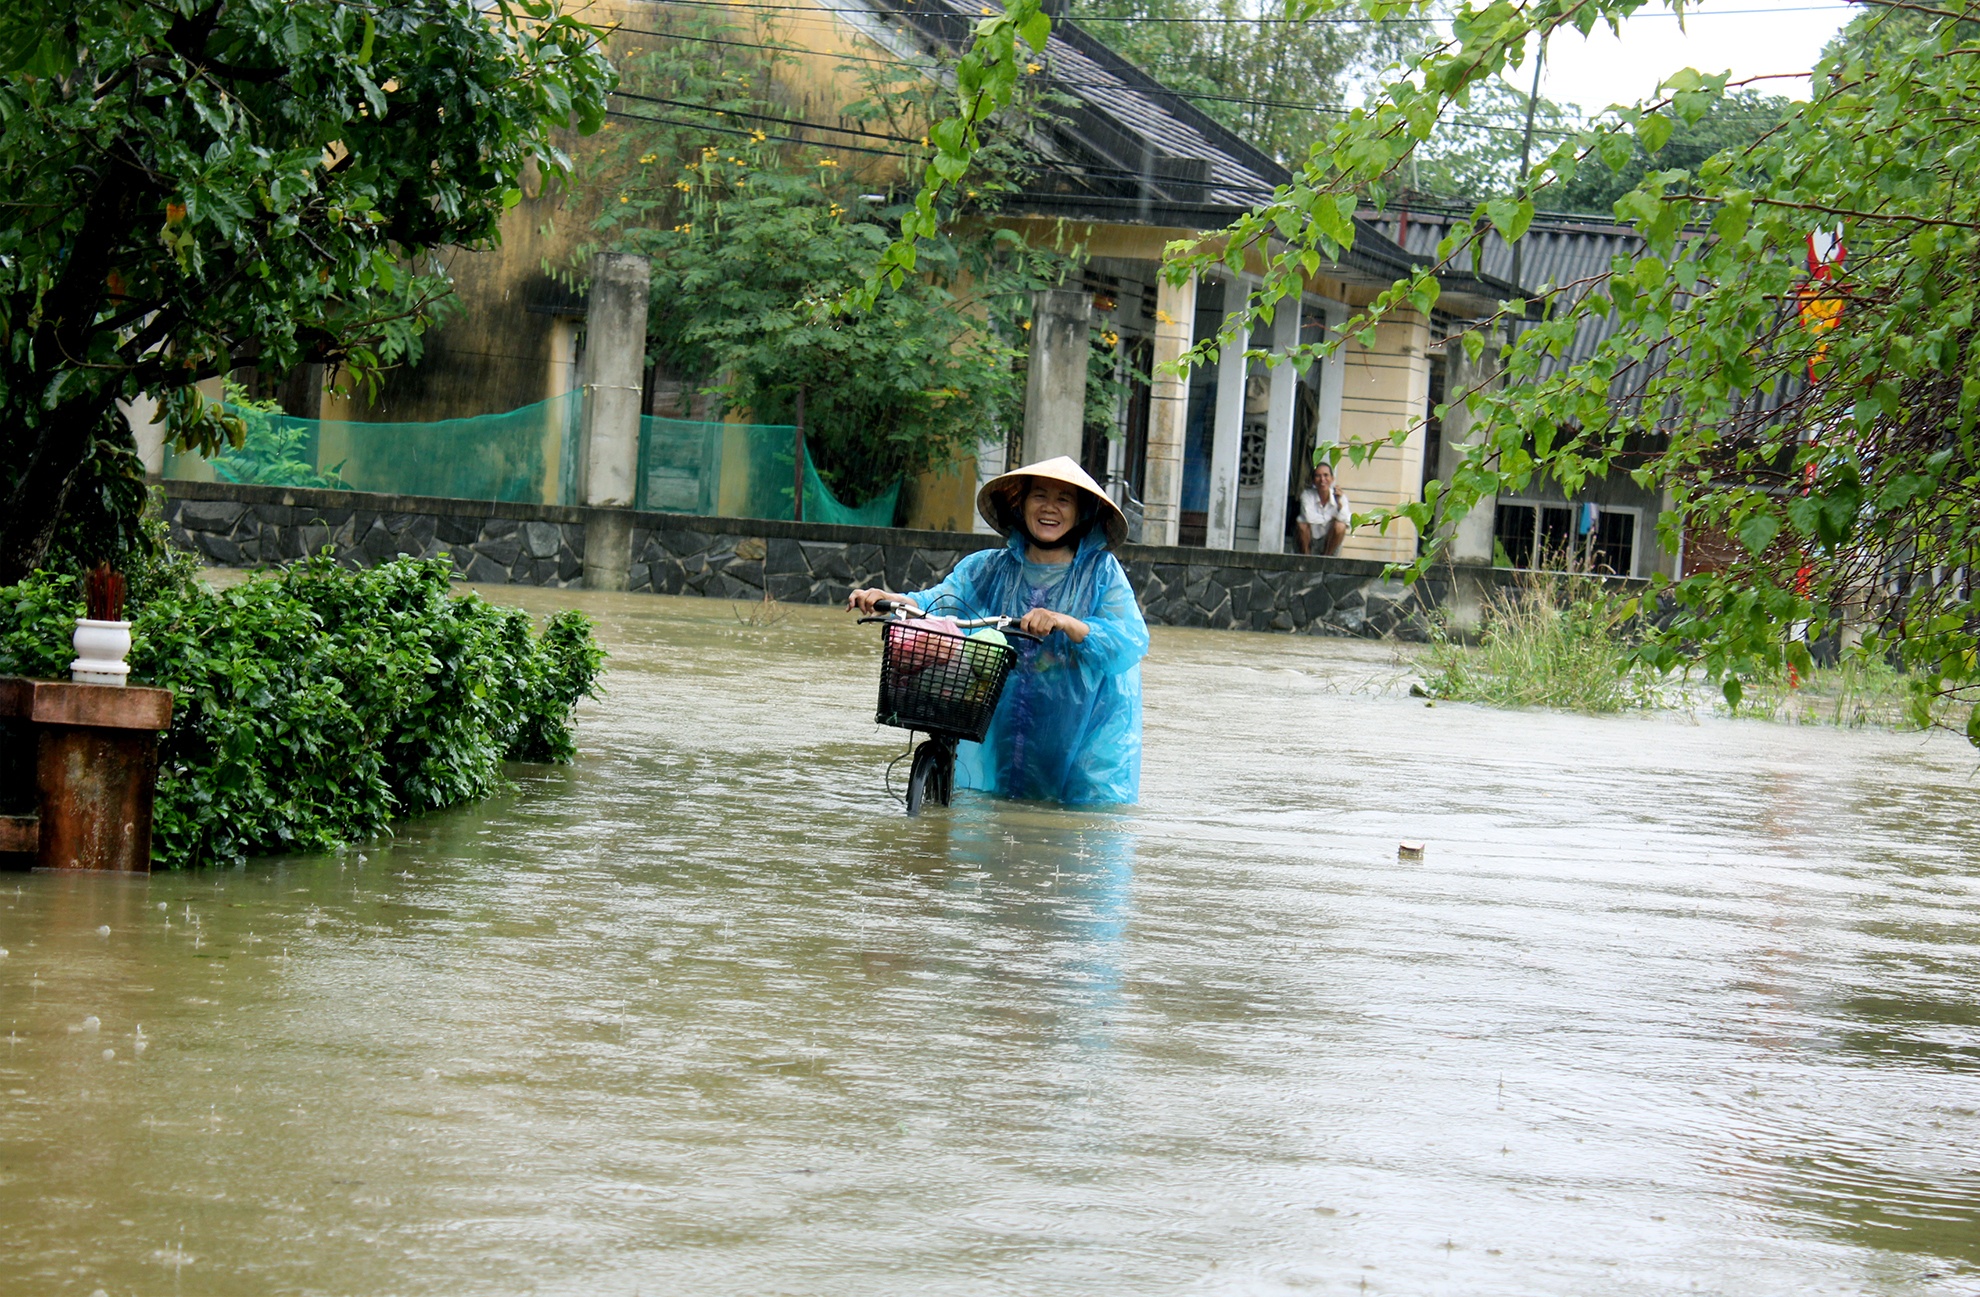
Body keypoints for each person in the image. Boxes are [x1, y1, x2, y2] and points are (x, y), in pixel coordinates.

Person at [847, 456, 1149, 806]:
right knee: (995, 823)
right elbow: (939, 601)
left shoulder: (1101, 572)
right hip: (1005, 724)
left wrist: (1067, 622)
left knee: (1073, 837)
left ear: (1080, 511)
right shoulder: (990, 567)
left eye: (1063, 499)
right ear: (1021, 504)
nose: (1050, 508)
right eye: (1040, 496)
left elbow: (1128, 641)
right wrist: (891, 598)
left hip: (1084, 734)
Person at [1296, 459, 1351, 556]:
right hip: (1310, 539)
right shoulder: (1307, 495)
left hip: (1329, 541)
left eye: (1326, 475)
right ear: (1313, 480)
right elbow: (1309, 517)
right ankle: (1306, 559)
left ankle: (1326, 559)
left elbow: (1347, 521)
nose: (1322, 480)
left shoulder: (1340, 496)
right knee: (1302, 525)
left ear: (1332, 479)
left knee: (1340, 526)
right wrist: (1332, 518)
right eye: (1318, 476)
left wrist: (1339, 504)